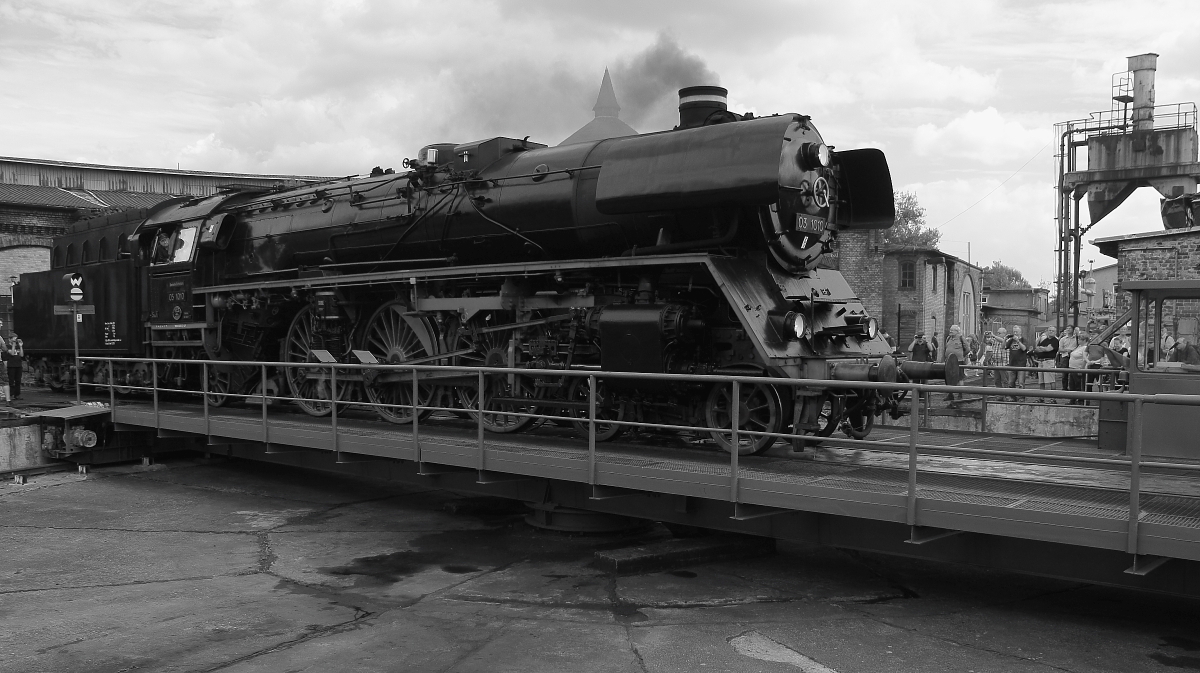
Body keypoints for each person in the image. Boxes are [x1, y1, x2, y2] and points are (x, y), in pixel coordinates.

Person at [1003, 325, 1030, 401]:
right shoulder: (1011, 341)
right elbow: (1003, 347)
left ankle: (1021, 398)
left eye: (1016, 332)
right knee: (1011, 382)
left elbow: (1024, 348)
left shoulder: (1024, 340)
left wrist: (1018, 341)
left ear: (1020, 332)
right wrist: (1005, 339)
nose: (1015, 333)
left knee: (1021, 383)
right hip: (1012, 364)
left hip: (1021, 365)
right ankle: (1012, 397)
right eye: (1014, 332)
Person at [1033, 326, 1059, 402]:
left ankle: (1053, 399)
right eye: (1049, 330)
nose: (1051, 332)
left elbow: (1048, 349)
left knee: (1051, 380)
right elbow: (1036, 349)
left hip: (1049, 361)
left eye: (1052, 331)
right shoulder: (1044, 340)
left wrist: (1042, 348)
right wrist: (1043, 348)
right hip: (1041, 361)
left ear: (1055, 332)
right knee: (1041, 381)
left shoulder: (1055, 341)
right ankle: (1041, 398)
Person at [942, 325, 968, 401]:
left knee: (960, 377)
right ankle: (950, 395)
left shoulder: (961, 338)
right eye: (950, 330)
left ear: (957, 331)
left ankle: (960, 394)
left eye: (952, 330)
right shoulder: (948, 338)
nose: (950, 331)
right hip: (949, 362)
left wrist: (962, 356)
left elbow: (967, 349)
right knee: (949, 378)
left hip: (959, 361)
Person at [5, 334, 22, 400]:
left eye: (16, 339)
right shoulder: (7, 346)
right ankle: (11, 394)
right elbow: (12, 353)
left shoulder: (17, 346)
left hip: (18, 365)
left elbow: (21, 355)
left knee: (18, 380)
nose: (15, 340)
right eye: (14, 339)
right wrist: (13, 345)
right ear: (10, 339)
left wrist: (20, 346)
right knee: (11, 380)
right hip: (11, 365)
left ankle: (17, 394)